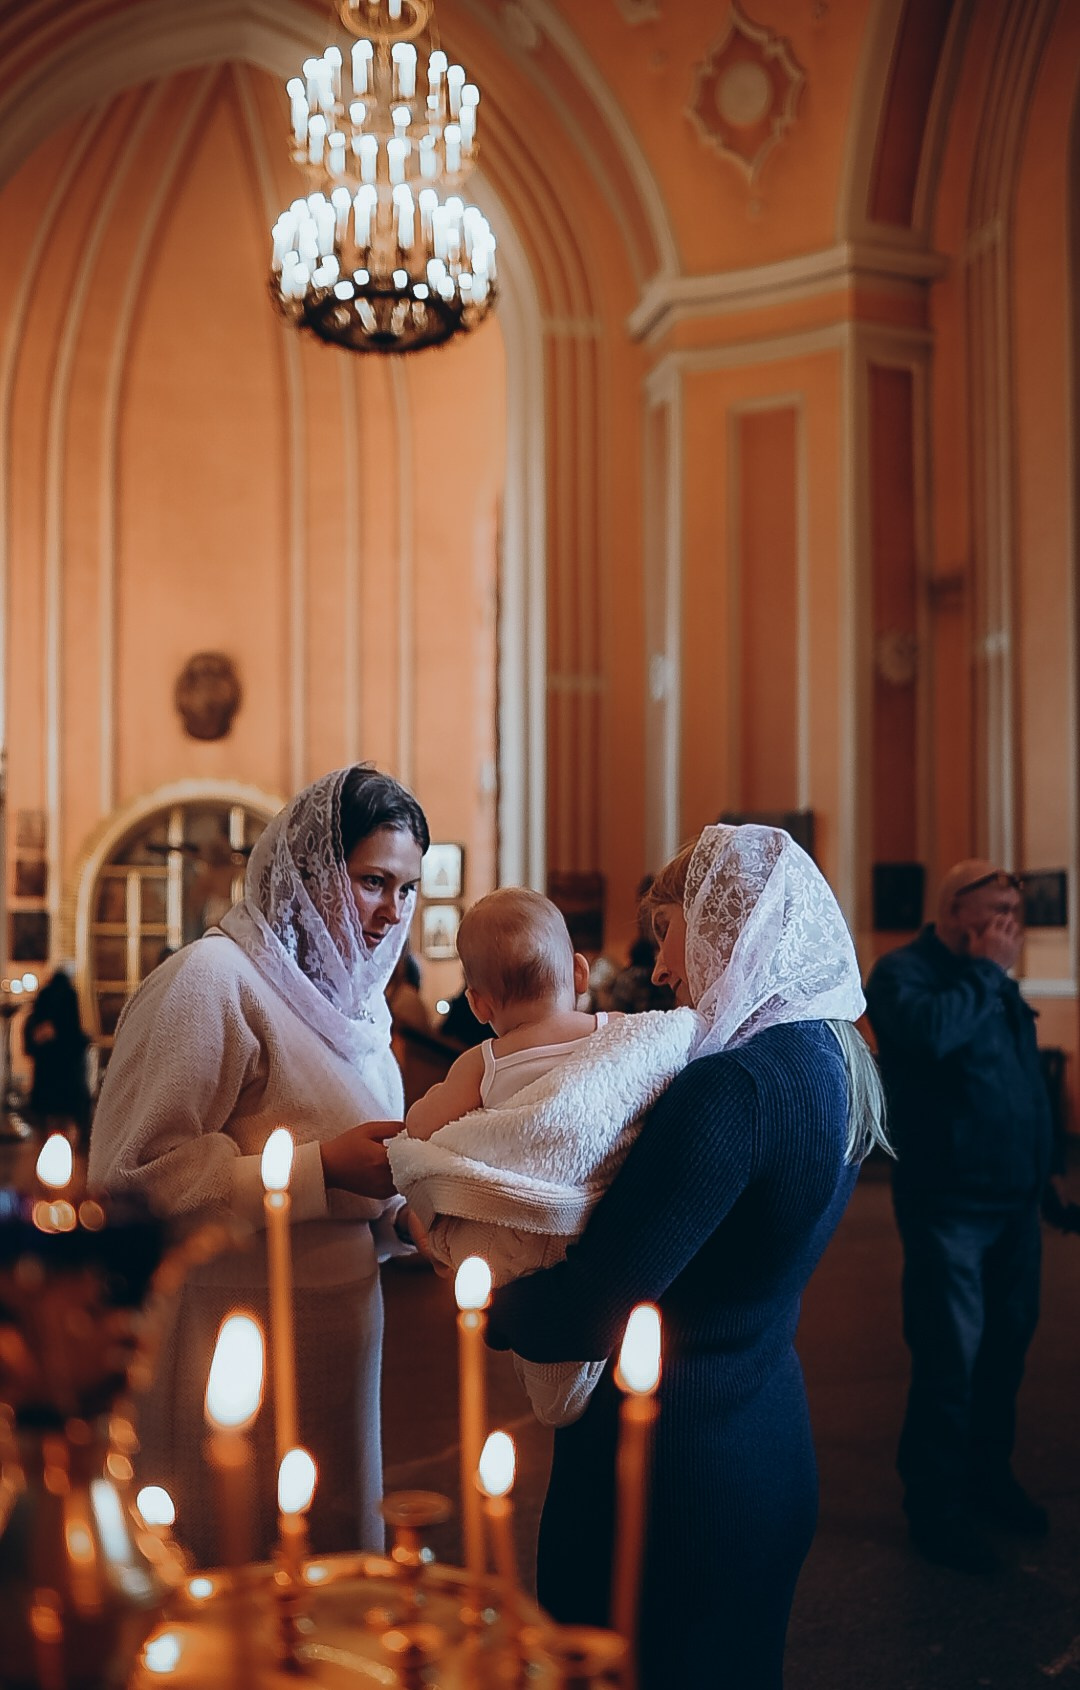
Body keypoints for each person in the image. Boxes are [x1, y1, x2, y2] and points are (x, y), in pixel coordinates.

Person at [484, 825, 888, 1689]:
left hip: (675, 1471)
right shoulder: (833, 1059)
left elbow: (594, 1308)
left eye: (668, 931)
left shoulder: (730, 1088)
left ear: (725, 930)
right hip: (765, 1430)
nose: (661, 967)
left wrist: (481, 1289)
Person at [88, 764, 427, 1566]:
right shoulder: (211, 981)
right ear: (312, 874)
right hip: (229, 1329)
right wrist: (321, 1172)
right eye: (374, 880)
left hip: (341, 1329)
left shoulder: (357, 1005)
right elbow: (131, 1177)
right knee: (240, 1567)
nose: (392, 912)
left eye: (408, 888)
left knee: (330, 1567)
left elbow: (364, 1178)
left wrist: (417, 1207)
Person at [389, 887, 701, 1424]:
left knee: (443, 1214)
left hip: (521, 1222)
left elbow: (422, 1127)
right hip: (601, 1215)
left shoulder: (482, 1062)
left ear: (479, 1003)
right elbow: (655, 1077)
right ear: (580, 974)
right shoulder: (619, 1037)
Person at [865, 860, 1055, 1574]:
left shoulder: (992, 975)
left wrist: (1047, 1179)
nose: (1013, 919)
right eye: (999, 905)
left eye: (1016, 905)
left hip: (1013, 1201)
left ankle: (989, 1479)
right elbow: (928, 1038)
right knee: (950, 1360)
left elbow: (1020, 1083)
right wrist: (985, 973)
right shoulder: (903, 973)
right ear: (955, 909)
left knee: (1006, 1354)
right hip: (949, 1206)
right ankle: (935, 1508)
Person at [22, 968, 92, 1143]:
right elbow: (74, 1029)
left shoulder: (45, 998)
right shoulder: (69, 995)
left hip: (48, 1073)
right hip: (69, 1073)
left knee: (48, 1118)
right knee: (68, 1118)